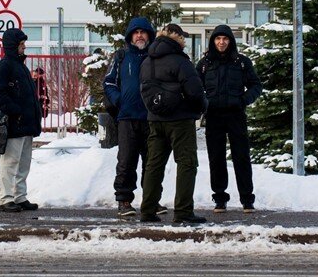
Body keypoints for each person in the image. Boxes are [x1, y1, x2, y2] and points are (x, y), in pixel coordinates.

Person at [139, 23, 208, 224]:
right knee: (186, 164)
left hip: (155, 119)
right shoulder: (180, 61)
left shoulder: (147, 62)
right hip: (180, 120)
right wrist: (202, 107)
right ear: (178, 38)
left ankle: (147, 210)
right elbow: (195, 92)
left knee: (153, 165)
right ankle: (183, 211)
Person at [197, 24, 263, 213]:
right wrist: (205, 103)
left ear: (231, 41)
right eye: (218, 39)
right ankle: (219, 198)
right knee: (215, 158)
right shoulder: (204, 64)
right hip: (214, 116)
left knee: (241, 157)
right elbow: (194, 88)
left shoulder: (241, 62)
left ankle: (247, 199)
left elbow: (256, 86)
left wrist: (244, 100)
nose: (221, 42)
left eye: (225, 39)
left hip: (236, 115)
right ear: (213, 41)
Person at [103, 17, 162, 218]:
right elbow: (109, 83)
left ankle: (152, 200)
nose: (139, 35)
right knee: (126, 161)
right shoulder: (121, 56)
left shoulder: (155, 57)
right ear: (130, 36)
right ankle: (124, 200)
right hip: (127, 118)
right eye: (135, 32)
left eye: (143, 32)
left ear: (149, 35)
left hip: (151, 118)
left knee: (152, 162)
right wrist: (119, 100)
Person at [0, 28, 43, 213]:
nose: (24, 47)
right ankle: (6, 199)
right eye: (21, 44)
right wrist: (15, 111)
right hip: (14, 123)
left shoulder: (20, 65)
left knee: (23, 163)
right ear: (14, 46)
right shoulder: (5, 66)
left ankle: (20, 197)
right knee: (11, 162)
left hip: (26, 123)